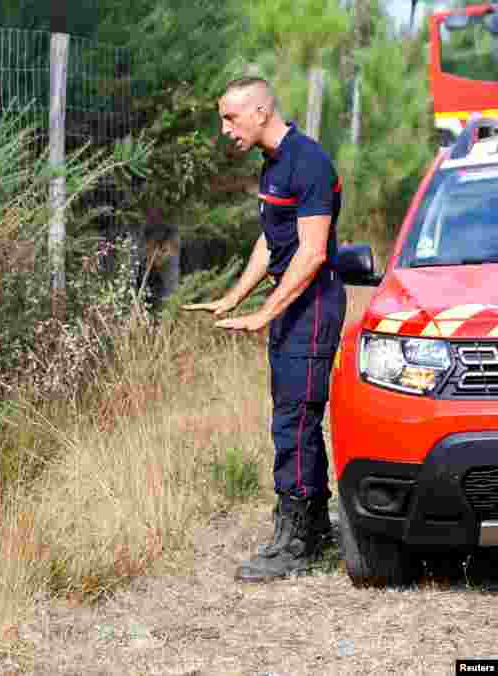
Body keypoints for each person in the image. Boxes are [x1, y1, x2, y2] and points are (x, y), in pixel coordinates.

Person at [184, 76, 346, 582]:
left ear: (260, 111)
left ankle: (296, 541)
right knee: (291, 416)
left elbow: (313, 252)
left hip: (312, 304)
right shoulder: (273, 165)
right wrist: (235, 296)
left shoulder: (309, 161)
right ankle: (313, 527)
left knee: (295, 420)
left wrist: (267, 312)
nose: (224, 128)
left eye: (230, 118)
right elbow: (270, 240)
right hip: (290, 305)